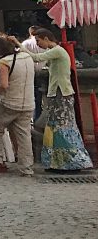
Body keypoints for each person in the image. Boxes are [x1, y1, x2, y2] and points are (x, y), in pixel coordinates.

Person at [33, 29, 93, 172]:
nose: (38, 44)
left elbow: (36, 57)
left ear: (46, 38)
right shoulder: (56, 52)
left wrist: (18, 45)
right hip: (57, 93)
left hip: (61, 94)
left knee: (62, 127)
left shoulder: (58, 51)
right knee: (55, 127)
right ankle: (58, 161)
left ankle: (70, 161)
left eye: (38, 40)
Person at [0, 35, 37, 177]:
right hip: (28, 103)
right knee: (24, 135)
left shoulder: (4, 62)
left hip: (9, 103)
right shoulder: (27, 57)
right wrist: (17, 41)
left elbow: (4, 85)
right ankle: (26, 168)